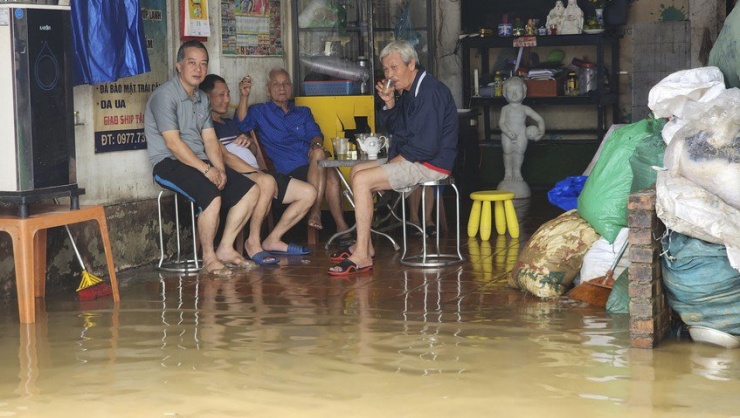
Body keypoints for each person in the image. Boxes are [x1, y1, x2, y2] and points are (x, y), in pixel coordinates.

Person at [327, 40, 458, 276]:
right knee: (357, 171)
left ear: (411, 64)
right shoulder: (409, 91)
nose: (389, 75)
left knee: (362, 180)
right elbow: (397, 130)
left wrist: (392, 163)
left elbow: (426, 146)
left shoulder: (429, 92)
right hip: (414, 157)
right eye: (386, 69)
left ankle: (363, 256)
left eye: (394, 68)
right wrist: (389, 103)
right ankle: (364, 244)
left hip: (430, 164)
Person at [144, 40, 260, 276]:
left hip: (199, 162)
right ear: (179, 66)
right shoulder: (165, 96)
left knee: (252, 190)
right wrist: (208, 172)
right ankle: (209, 257)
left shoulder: (202, 99)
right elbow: (174, 145)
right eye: (192, 63)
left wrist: (220, 170)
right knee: (212, 196)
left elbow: (209, 140)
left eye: (203, 64)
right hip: (169, 163)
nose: (198, 69)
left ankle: (226, 248)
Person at [199, 73, 317, 259]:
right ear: (206, 98)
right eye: (221, 95)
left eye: (228, 94)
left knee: (309, 193)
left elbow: (253, 150)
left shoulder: (230, 124)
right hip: (242, 176)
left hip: (258, 172)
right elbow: (225, 157)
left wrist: (248, 142)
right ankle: (253, 241)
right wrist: (257, 173)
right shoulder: (207, 127)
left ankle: (273, 239)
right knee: (267, 181)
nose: (227, 99)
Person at [237, 68, 351, 243]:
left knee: (322, 158)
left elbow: (316, 133)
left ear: (291, 88)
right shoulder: (260, 111)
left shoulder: (303, 112)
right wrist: (244, 97)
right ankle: (334, 222)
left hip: (311, 161)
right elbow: (243, 124)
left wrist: (315, 144)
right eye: (276, 84)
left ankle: (326, 218)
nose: (282, 88)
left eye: (286, 84)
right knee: (329, 171)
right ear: (268, 90)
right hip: (287, 170)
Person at [498, 77, 545, 182]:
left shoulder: (525, 109)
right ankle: (508, 172)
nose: (514, 94)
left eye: (518, 91)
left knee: (519, 153)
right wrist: (507, 132)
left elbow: (539, 119)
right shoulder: (505, 109)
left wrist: (541, 132)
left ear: (524, 94)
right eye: (511, 91)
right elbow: (501, 123)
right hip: (507, 134)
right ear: (504, 94)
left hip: (521, 134)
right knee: (507, 152)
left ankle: (517, 171)